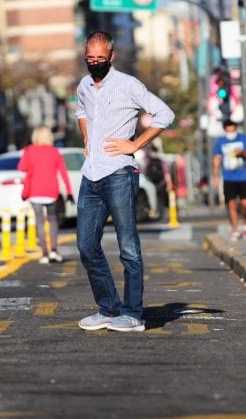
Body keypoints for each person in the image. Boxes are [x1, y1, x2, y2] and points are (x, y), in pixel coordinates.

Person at [74, 30, 174, 333]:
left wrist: (135, 144)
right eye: (90, 59)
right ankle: (108, 308)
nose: (94, 63)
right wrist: (86, 137)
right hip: (90, 174)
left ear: (111, 57)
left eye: (100, 59)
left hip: (119, 173)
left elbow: (164, 114)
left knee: (128, 247)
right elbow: (81, 109)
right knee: (86, 246)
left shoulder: (129, 85)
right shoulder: (83, 85)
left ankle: (132, 313)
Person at [17, 125, 74, 264]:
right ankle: (54, 251)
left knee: (40, 222)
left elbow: (21, 168)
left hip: (35, 191)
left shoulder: (29, 150)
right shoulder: (54, 152)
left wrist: (27, 155)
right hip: (51, 191)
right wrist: (69, 192)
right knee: (53, 220)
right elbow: (63, 172)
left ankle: (44, 253)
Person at [212, 119, 246, 242]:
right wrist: (215, 176)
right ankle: (235, 229)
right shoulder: (220, 142)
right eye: (228, 128)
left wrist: (242, 153)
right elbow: (217, 159)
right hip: (228, 177)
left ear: (235, 127)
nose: (231, 130)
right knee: (231, 204)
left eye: (232, 127)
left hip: (242, 176)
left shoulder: (243, 139)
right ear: (225, 129)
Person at [144, 144, 172, 218]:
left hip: (160, 184)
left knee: (160, 199)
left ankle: (160, 213)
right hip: (151, 183)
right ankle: (155, 212)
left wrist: (169, 184)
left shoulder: (159, 162)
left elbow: (166, 173)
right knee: (154, 199)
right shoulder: (149, 161)